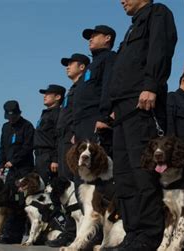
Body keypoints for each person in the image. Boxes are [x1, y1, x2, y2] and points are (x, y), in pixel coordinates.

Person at [105, 0, 177, 250]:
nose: (121, 1)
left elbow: (160, 49)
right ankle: (133, 231)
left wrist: (151, 85)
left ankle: (149, 233)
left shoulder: (158, 13)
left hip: (143, 103)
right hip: (123, 108)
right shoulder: (131, 27)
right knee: (124, 174)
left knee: (142, 171)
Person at [47, 53, 90, 247]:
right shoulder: (72, 89)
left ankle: (79, 232)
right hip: (64, 140)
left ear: (82, 67)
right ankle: (70, 230)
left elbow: (80, 112)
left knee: (75, 186)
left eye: (71, 64)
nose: (67, 67)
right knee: (66, 186)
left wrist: (75, 133)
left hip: (73, 139)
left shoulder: (83, 86)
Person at [72, 25, 116, 156]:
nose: (90, 40)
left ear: (107, 38)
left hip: (96, 120)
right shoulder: (91, 65)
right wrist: (75, 130)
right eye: (89, 38)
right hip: (81, 124)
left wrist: (105, 117)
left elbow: (108, 87)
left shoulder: (110, 57)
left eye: (94, 36)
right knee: (82, 171)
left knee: (97, 166)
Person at [0, 100, 34, 244]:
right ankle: (7, 233)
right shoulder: (5, 127)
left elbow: (28, 147)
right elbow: (2, 147)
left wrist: (14, 160)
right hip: (10, 170)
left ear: (19, 113)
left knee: (21, 202)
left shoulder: (27, 126)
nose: (11, 119)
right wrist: (1, 163)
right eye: (9, 117)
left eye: (13, 116)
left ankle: (17, 234)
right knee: (9, 200)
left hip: (23, 168)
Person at [34, 84, 66, 183]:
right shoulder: (45, 114)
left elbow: (59, 137)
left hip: (48, 157)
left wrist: (55, 159)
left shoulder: (58, 114)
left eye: (48, 94)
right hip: (39, 156)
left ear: (58, 97)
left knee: (50, 188)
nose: (44, 96)